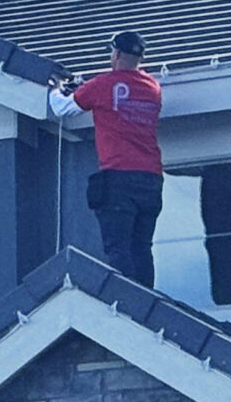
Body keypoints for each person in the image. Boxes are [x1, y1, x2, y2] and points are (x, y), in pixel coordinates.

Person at [47, 29, 165, 285]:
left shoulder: (105, 84)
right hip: (152, 179)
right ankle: (147, 301)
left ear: (117, 54)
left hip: (120, 178)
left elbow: (62, 108)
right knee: (142, 248)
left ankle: (128, 301)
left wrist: (56, 89)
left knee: (118, 248)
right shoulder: (153, 88)